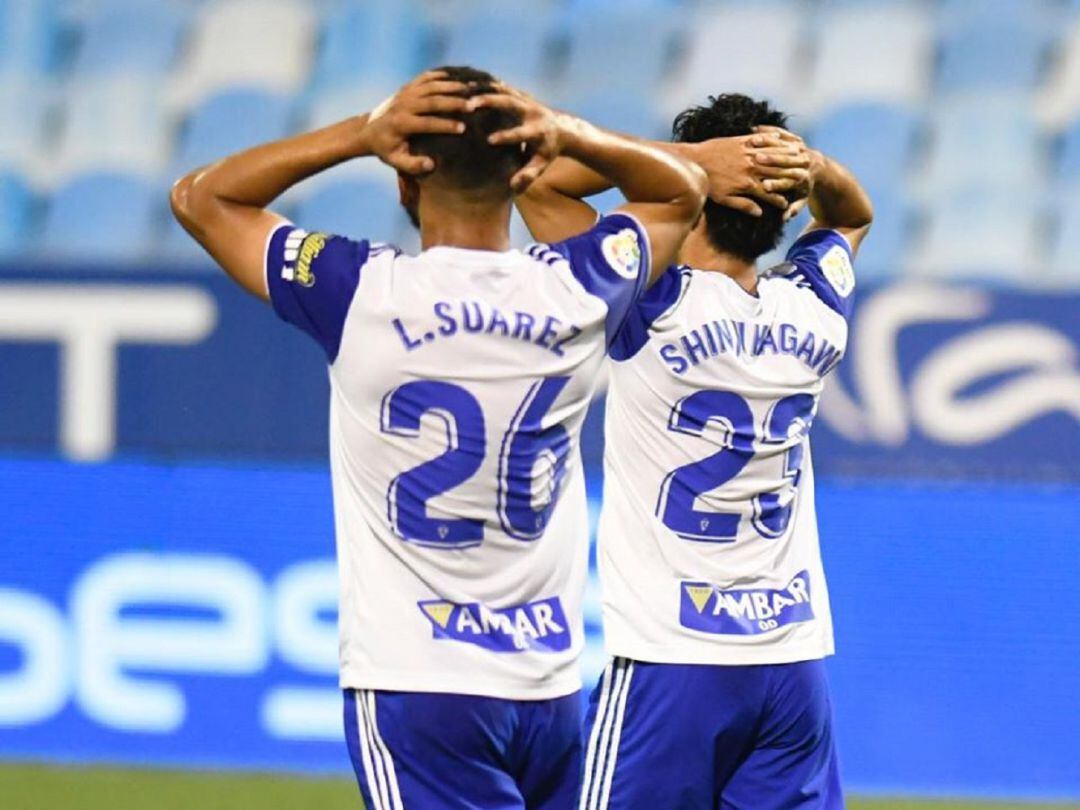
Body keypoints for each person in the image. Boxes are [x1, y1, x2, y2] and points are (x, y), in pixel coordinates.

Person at [170, 65, 711, 809]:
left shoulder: (357, 290)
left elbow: (201, 198)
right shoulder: (582, 287)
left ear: (403, 181)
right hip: (547, 686)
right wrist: (567, 128)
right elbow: (681, 189)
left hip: (417, 685)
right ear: (526, 171)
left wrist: (359, 133)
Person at [516, 93, 873, 810]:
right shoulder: (814, 306)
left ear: (695, 198)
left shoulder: (648, 302)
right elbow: (853, 214)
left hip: (672, 662)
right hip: (791, 663)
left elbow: (543, 180)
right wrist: (813, 167)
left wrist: (691, 163)